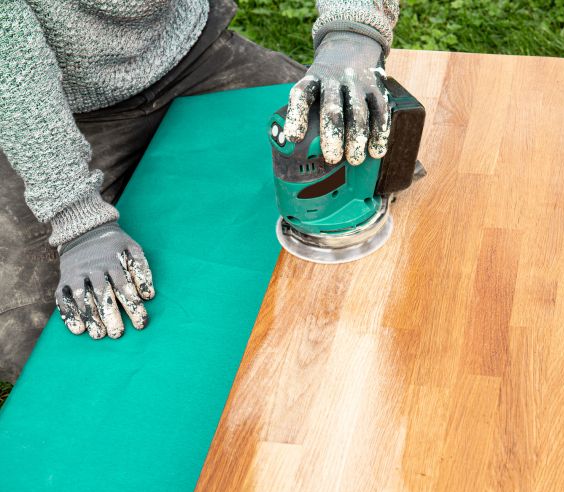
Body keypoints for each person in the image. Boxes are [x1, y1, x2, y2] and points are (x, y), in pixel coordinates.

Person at [0, 0, 399, 383]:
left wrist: (352, 35)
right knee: (37, 337)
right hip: (57, 106)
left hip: (190, 54)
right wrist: (77, 219)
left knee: (383, 161)